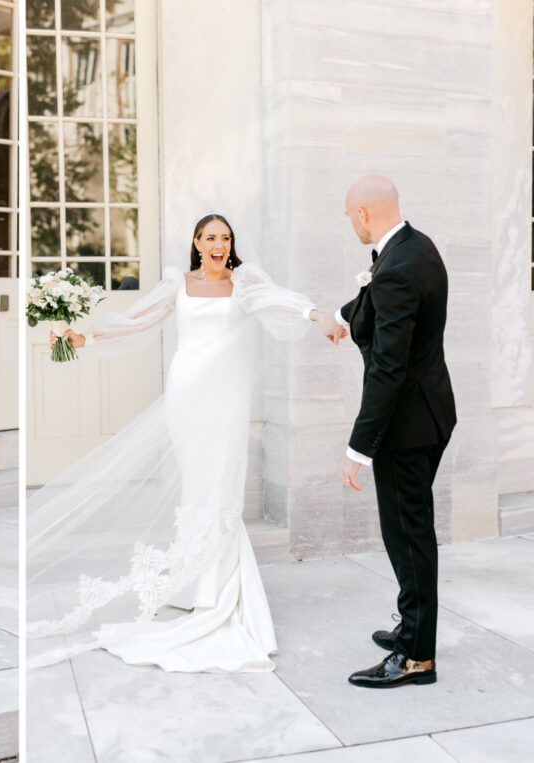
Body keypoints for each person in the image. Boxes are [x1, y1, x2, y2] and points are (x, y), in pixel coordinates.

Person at [27, 213, 345, 672]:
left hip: (228, 401)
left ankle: (218, 593)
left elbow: (279, 303)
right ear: (196, 243)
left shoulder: (245, 282)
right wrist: (84, 336)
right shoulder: (178, 283)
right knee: (199, 485)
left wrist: (319, 316)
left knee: (221, 488)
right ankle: (197, 585)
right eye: (210, 237)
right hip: (186, 396)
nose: (219, 244)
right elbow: (137, 321)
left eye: (226, 238)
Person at [333, 176, 455, 688]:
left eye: (349, 217)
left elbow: (389, 366)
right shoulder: (413, 245)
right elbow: (385, 311)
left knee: (408, 537)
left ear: (363, 213)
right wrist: (341, 316)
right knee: (406, 532)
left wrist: (357, 448)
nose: (351, 225)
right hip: (426, 414)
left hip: (408, 425)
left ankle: (414, 657)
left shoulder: (399, 264)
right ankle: (413, 624)